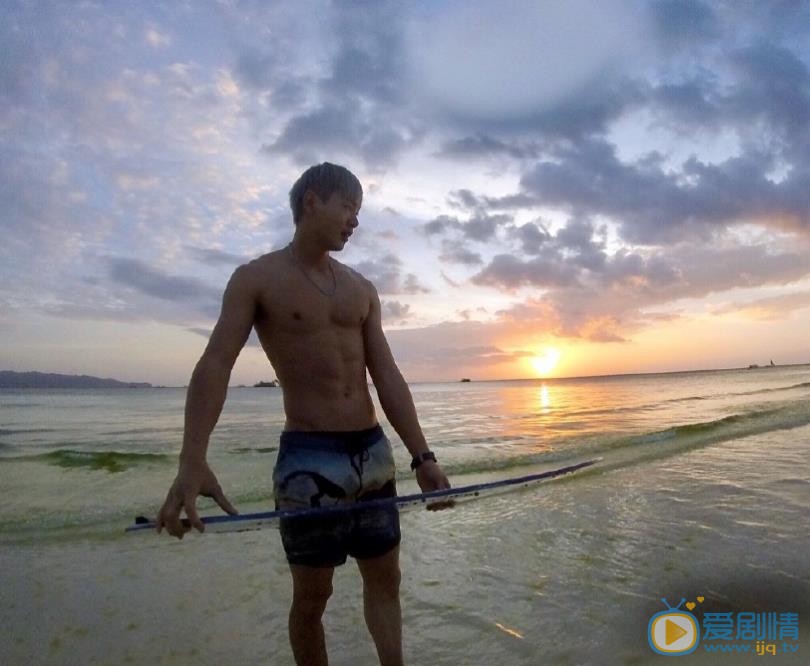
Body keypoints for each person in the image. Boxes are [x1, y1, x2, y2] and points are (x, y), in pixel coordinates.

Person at [156, 162, 451, 666]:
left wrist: (422, 456)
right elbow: (216, 364)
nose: (354, 222)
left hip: (372, 453)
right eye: (348, 208)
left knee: (386, 583)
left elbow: (389, 378)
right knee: (313, 598)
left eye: (359, 212)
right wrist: (193, 459)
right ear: (311, 201)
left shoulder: (362, 289)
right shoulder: (256, 278)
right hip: (309, 460)